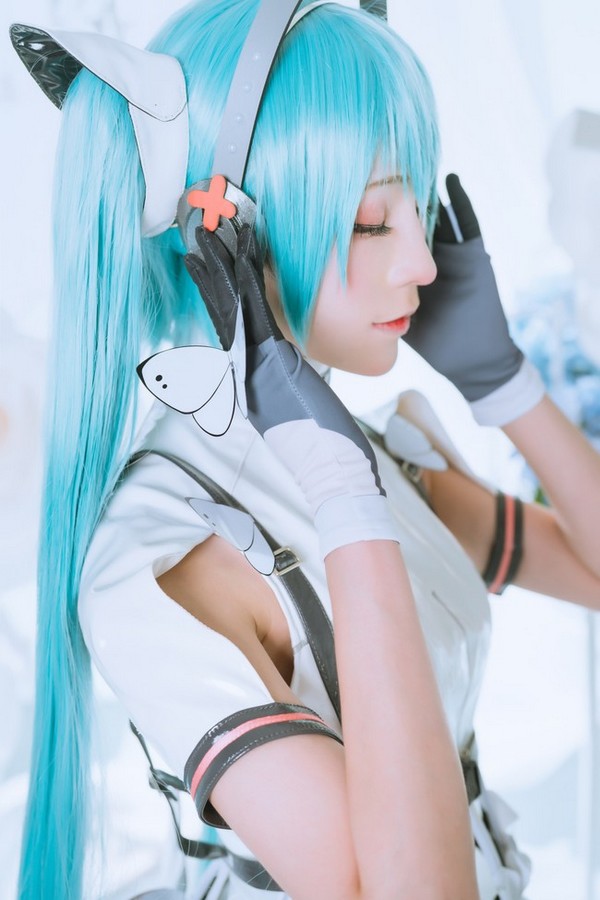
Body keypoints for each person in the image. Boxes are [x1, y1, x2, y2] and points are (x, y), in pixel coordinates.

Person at [10, 1, 600, 898]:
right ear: (227, 240)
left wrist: (505, 384)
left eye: (417, 207)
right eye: (372, 220)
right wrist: (343, 496)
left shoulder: (376, 458)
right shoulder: (162, 559)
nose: (425, 263)